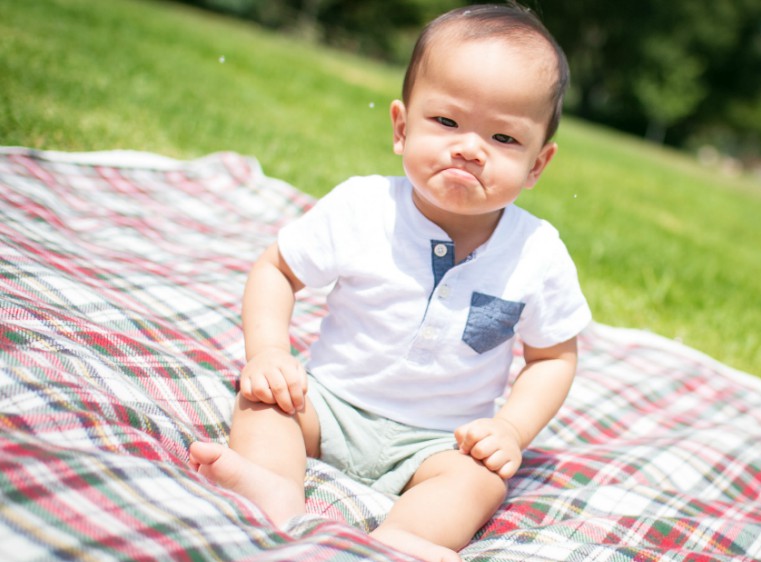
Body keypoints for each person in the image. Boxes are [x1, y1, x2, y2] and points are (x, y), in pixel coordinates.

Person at [189, 3, 591, 560]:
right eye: (447, 122)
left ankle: (407, 539)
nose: (470, 148)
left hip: (442, 439)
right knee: (263, 404)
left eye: (503, 138)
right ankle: (271, 488)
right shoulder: (364, 207)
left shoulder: (537, 253)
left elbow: (552, 358)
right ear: (402, 128)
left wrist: (511, 431)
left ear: (537, 166)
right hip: (326, 403)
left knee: (478, 480)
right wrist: (269, 353)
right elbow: (276, 270)